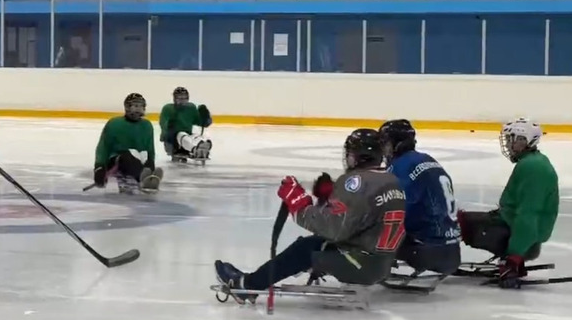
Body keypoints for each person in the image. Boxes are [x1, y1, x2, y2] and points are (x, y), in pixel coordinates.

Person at [214, 128, 406, 304]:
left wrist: (300, 206)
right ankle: (252, 283)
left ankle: (246, 286)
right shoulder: (391, 179)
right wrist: (328, 200)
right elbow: (360, 219)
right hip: (381, 263)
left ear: (357, 156)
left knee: (305, 249)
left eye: (350, 154)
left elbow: (334, 229)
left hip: (362, 265)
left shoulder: (355, 182)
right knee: (313, 244)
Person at [458, 118, 559, 289]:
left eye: (511, 139)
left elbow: (529, 215)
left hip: (521, 238)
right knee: (463, 219)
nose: (508, 144)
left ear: (523, 140)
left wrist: (514, 257)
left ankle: (434, 257)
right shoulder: (534, 162)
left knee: (458, 222)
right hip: (523, 235)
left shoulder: (532, 168)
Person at [379, 119, 461, 276]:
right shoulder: (429, 160)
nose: (384, 149)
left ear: (396, 144)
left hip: (425, 252)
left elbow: (396, 211)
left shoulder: (400, 167)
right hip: (452, 251)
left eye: (386, 143)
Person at [93, 93, 163, 193]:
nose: (138, 109)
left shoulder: (147, 125)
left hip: (138, 158)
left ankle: (148, 177)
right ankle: (143, 179)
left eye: (140, 106)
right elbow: (103, 147)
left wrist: (150, 162)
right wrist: (99, 167)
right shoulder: (114, 123)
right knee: (127, 156)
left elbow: (150, 148)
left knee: (144, 156)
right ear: (127, 107)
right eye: (135, 106)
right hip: (118, 160)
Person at [159, 87, 212, 161]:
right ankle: (195, 149)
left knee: (195, 137)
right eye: (179, 98)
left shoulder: (191, 108)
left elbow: (199, 122)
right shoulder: (168, 108)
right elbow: (163, 124)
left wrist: (205, 118)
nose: (182, 101)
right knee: (181, 135)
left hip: (187, 136)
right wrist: (167, 131)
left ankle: (201, 146)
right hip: (172, 140)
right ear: (174, 99)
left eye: (184, 98)